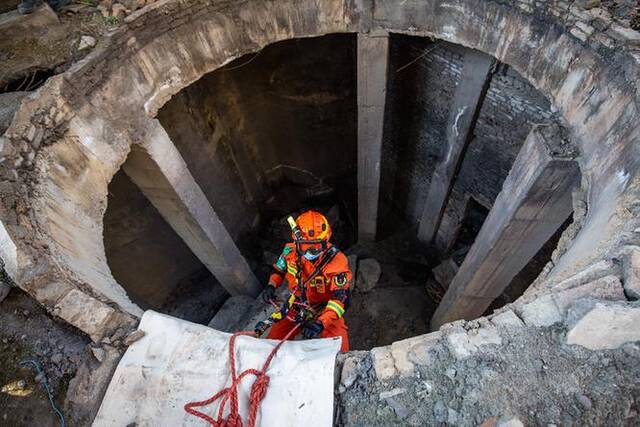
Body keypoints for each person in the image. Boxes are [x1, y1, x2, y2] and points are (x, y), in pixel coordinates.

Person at [255, 210, 352, 352]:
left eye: (316, 247)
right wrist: (271, 285)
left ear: (326, 241)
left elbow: (340, 298)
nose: (310, 252)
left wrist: (321, 322)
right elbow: (279, 270)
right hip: (298, 303)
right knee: (273, 341)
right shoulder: (289, 252)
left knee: (340, 348)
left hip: (325, 308)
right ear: (296, 242)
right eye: (305, 246)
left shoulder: (337, 262)